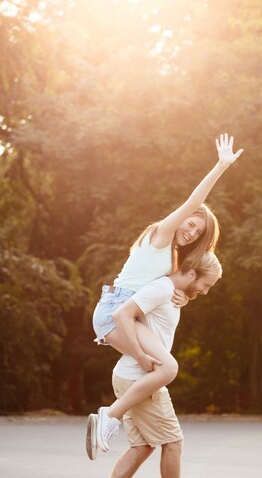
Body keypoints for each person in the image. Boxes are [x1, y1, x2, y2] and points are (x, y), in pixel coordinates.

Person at [90, 133, 243, 452]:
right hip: (115, 311)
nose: (190, 232)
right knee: (167, 367)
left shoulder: (171, 258)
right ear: (180, 219)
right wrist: (220, 166)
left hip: (124, 312)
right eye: (190, 225)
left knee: (157, 368)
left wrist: (184, 296)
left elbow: (176, 287)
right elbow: (193, 202)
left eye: (197, 233)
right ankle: (110, 416)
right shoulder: (161, 235)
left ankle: (124, 425)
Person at [89, 252, 223, 478]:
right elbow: (122, 313)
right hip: (142, 375)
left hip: (131, 376)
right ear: (191, 272)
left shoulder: (170, 291)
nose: (206, 292)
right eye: (205, 284)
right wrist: (139, 355)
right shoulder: (161, 288)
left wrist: (184, 296)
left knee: (142, 446)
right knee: (172, 442)